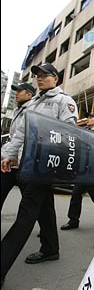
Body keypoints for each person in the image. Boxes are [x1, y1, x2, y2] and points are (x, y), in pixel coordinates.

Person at [1, 63, 78, 286]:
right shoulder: (33, 103)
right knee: (43, 207)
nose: (40, 79)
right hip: (26, 163)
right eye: (38, 76)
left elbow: (69, 137)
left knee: (26, 213)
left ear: (56, 78)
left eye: (45, 75)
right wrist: (9, 154)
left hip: (44, 166)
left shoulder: (65, 101)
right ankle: (51, 248)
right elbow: (20, 135)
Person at [61, 112, 94, 230]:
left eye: (91, 117)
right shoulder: (83, 132)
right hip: (82, 170)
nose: (88, 119)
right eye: (87, 117)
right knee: (76, 194)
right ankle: (73, 220)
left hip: (93, 170)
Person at [1, 82, 36, 210]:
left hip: (23, 163)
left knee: (32, 201)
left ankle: (48, 230)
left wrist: (16, 155)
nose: (16, 94)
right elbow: (14, 136)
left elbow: (27, 136)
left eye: (19, 91)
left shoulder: (33, 109)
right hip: (12, 162)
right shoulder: (18, 110)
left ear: (29, 94)